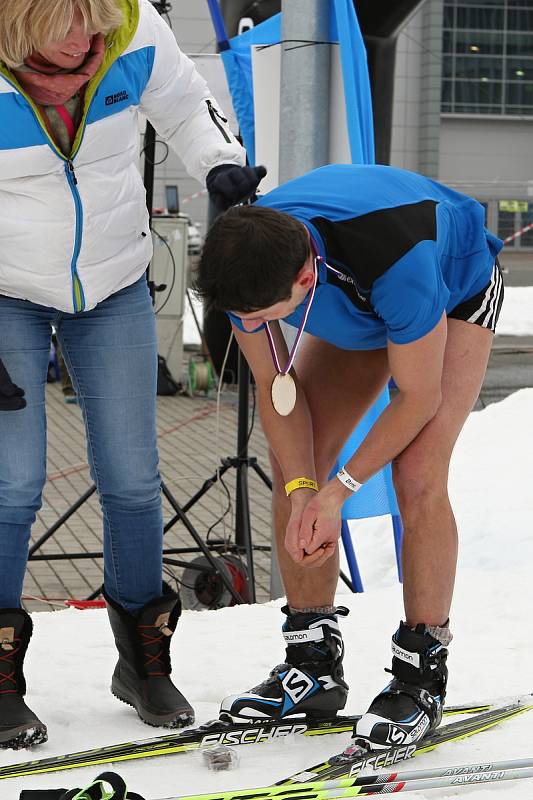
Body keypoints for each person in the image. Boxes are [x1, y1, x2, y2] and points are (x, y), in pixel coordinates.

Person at [0, 0, 265, 749]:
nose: (90, 37)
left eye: (97, 16)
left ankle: (143, 663)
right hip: (3, 289)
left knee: (132, 477)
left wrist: (220, 168)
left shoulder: (131, 26)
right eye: (69, 23)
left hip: (112, 279)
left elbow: (186, 107)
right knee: (12, 484)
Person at [195, 163, 504, 749]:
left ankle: (421, 670)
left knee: (417, 474)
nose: (256, 328)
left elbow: (417, 399)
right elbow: (274, 387)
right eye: (248, 319)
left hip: (451, 284)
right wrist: (305, 490)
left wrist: (340, 489)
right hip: (354, 297)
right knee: (296, 465)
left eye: (266, 317)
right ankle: (311, 661)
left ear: (305, 275)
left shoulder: (398, 261)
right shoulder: (245, 265)